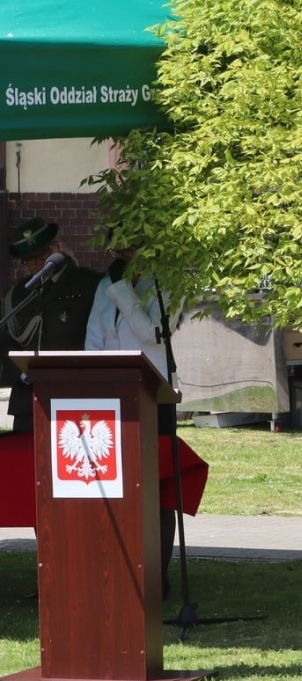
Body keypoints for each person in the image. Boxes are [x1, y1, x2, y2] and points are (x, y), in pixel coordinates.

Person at [85, 246, 180, 594]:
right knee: (115, 482)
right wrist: (89, 382)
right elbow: (93, 338)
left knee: (155, 487)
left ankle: (158, 575)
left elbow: (152, 333)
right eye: (116, 245)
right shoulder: (107, 284)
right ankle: (117, 570)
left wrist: (123, 287)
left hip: (153, 394)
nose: (121, 252)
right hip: (112, 394)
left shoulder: (166, 282)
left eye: (129, 244)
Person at [1, 219, 103, 433]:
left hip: (77, 396)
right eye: (29, 260)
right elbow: (5, 342)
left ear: (57, 247)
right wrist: (22, 373)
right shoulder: (17, 293)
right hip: (29, 401)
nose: (37, 263)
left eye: (42, 255)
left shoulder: (90, 283)